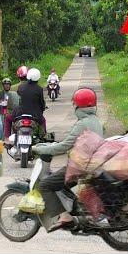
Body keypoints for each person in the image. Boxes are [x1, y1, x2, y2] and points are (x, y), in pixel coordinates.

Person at [32, 87, 103, 231]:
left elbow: (64, 146)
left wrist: (40, 149)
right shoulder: (96, 120)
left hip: (81, 167)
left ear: (79, 106)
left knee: (45, 185)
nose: (74, 107)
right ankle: (73, 208)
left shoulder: (82, 123)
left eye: (75, 105)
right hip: (92, 164)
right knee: (61, 182)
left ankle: (65, 217)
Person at [4, 67, 47, 143]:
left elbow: (19, 95)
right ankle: (43, 137)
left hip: (20, 112)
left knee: (8, 119)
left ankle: (7, 138)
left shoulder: (21, 87)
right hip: (35, 113)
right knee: (43, 120)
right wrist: (41, 109)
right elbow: (41, 103)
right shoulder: (39, 89)